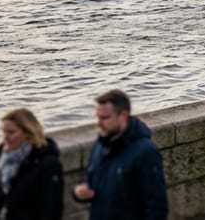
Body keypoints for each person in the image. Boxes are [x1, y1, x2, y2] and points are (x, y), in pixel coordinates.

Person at [72, 89, 168, 220]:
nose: (98, 123)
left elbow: (157, 207)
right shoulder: (99, 146)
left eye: (105, 118)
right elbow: (92, 186)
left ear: (123, 116)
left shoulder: (146, 152)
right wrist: (79, 194)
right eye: (98, 117)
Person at [0, 107, 63, 220]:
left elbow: (52, 210)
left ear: (28, 132)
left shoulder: (48, 163)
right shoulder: (3, 158)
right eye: (3, 131)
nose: (5, 137)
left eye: (11, 132)